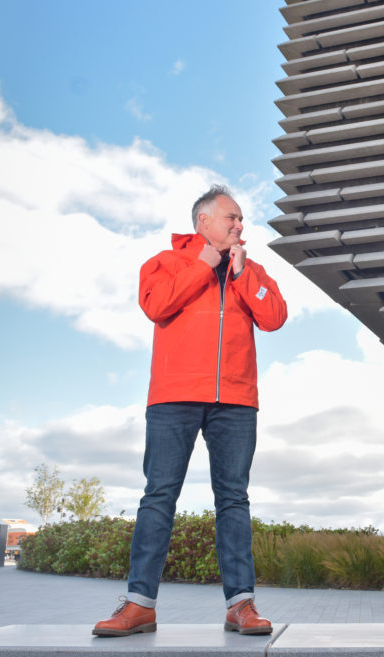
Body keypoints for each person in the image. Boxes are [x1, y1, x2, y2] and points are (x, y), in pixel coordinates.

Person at [93, 185, 288, 638]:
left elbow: (274, 316)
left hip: (236, 401)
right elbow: (157, 305)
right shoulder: (164, 263)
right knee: (159, 496)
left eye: (241, 220)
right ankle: (139, 605)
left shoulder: (252, 270)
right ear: (203, 221)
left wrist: (241, 275)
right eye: (231, 218)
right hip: (173, 397)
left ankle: (241, 605)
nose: (240, 225)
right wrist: (205, 265)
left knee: (233, 501)